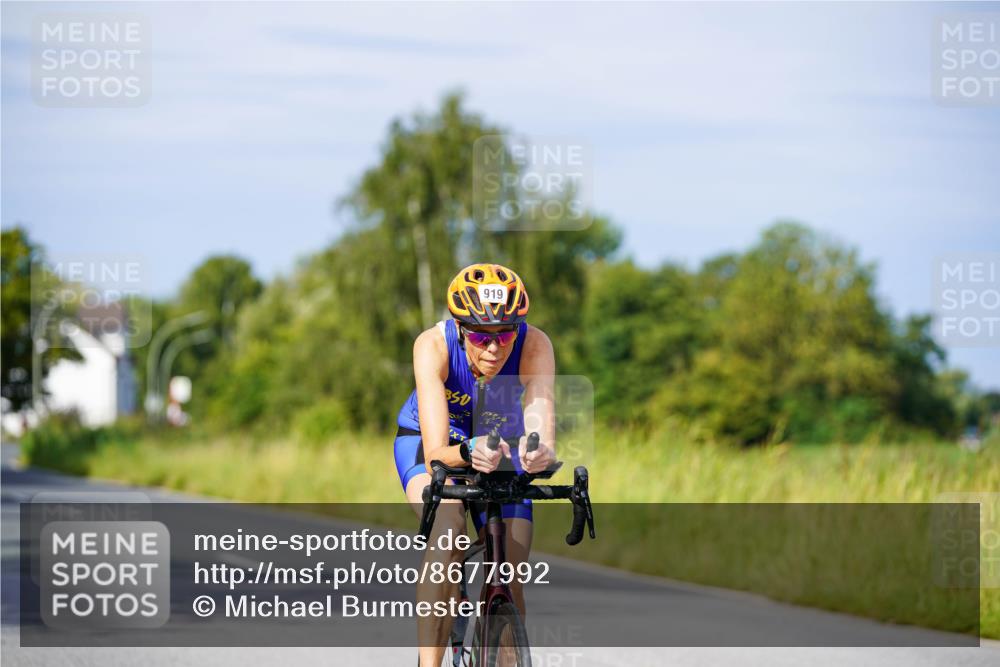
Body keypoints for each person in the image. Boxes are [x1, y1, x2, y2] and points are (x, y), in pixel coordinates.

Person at [394, 262, 556, 667]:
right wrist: (467, 451)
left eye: (505, 335)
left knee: (511, 568)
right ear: (461, 328)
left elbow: (541, 427)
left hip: (500, 444)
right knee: (449, 533)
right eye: (482, 336)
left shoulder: (535, 344)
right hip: (433, 443)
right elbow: (436, 453)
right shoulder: (433, 346)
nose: (494, 349)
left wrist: (539, 453)